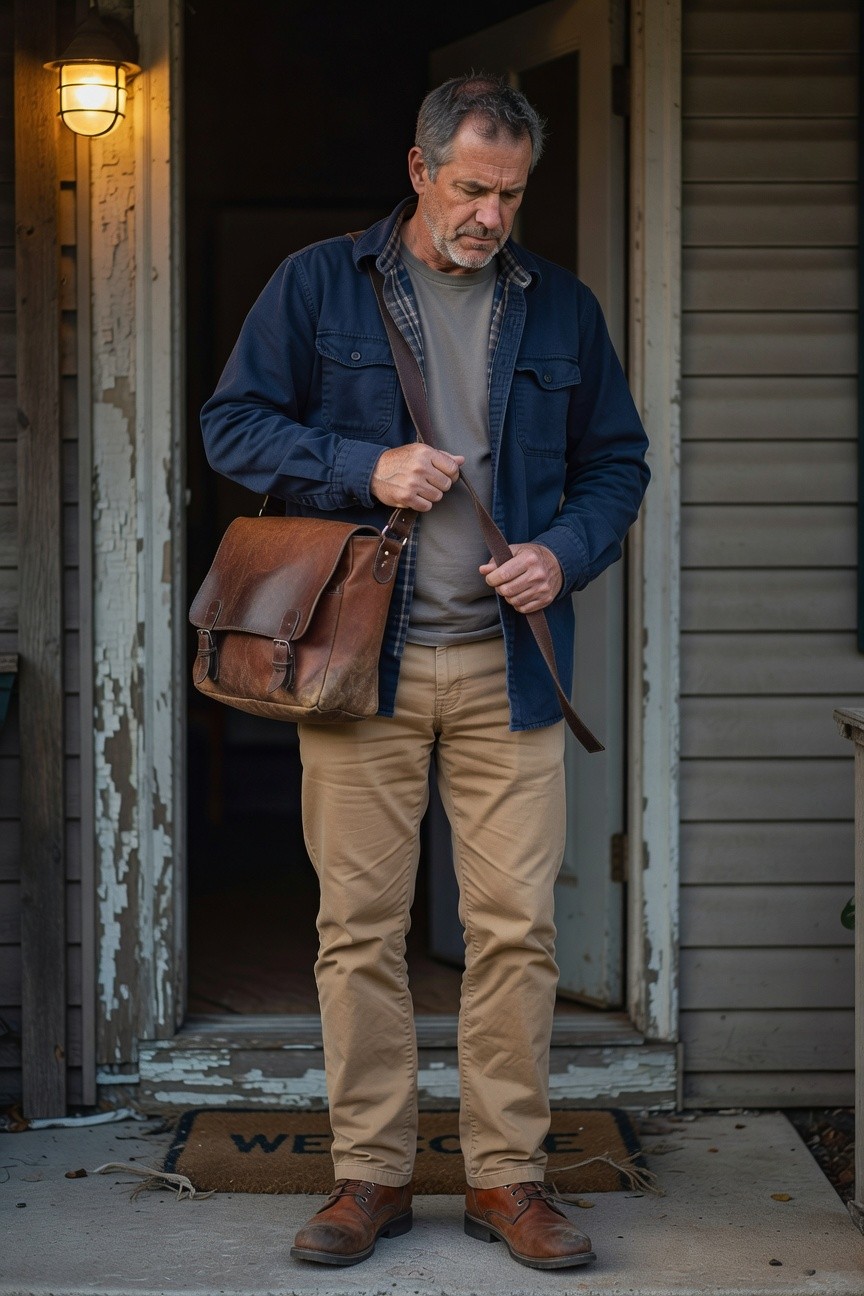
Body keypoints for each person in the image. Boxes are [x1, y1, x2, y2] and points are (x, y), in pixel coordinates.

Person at [201, 74, 649, 1272]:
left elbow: (619, 462)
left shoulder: (561, 308)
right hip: (361, 672)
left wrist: (564, 553)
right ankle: (372, 1176)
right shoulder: (317, 283)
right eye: (470, 188)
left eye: (511, 194)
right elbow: (233, 426)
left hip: (512, 670)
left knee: (517, 932)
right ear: (418, 170)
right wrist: (365, 465)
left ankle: (508, 1178)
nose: (491, 215)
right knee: (356, 931)